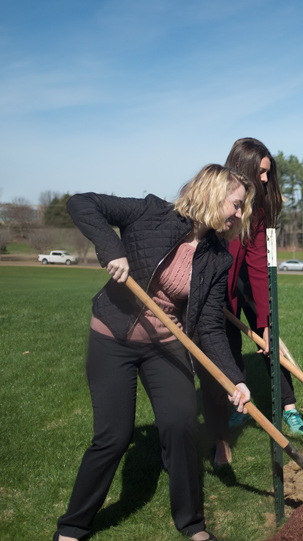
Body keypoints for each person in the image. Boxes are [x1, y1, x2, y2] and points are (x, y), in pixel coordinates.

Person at [56, 165, 255, 541]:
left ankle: (192, 524)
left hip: (165, 345)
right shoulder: (149, 212)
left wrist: (235, 379)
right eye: (237, 204)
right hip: (113, 339)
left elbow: (210, 328)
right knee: (114, 436)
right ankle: (72, 527)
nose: (239, 214)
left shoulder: (217, 257)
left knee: (181, 426)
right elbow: (81, 203)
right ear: (214, 195)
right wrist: (112, 249)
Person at [200, 138, 303, 467]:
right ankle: (235, 411)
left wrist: (265, 319)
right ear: (244, 168)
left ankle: (289, 407)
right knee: (225, 352)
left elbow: (259, 263)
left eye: (267, 172)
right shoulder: (215, 201)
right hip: (217, 289)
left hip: (245, 283)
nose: (265, 179)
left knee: (269, 341)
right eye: (261, 172)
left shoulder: (257, 209)